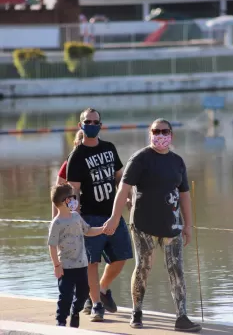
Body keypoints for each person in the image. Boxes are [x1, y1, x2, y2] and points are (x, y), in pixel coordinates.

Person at [103, 118, 202, 332]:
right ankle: (137, 312)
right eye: (156, 131)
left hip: (172, 226)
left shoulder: (177, 162)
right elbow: (122, 189)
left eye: (164, 131)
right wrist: (114, 217)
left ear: (171, 135)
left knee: (176, 270)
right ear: (150, 134)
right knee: (143, 267)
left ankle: (181, 317)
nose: (160, 135)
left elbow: (184, 195)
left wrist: (188, 226)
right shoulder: (140, 159)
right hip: (142, 225)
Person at [66, 107, 133, 322]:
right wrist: (74, 215)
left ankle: (102, 289)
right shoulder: (76, 156)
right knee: (91, 263)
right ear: (81, 125)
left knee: (122, 257)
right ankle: (96, 305)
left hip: (112, 213)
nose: (92, 125)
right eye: (88, 122)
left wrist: (129, 198)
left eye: (96, 122)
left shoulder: (109, 148)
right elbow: (73, 190)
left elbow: (120, 178)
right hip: (90, 217)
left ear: (100, 125)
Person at [48, 183, 107, 327]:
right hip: (65, 267)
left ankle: (76, 311)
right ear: (65, 201)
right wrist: (56, 265)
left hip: (81, 265)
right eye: (73, 198)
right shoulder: (57, 223)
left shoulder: (76, 217)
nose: (76, 200)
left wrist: (103, 229)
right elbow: (52, 245)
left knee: (83, 293)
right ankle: (61, 321)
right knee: (65, 296)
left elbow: (88, 230)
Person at [52, 130, 83, 219]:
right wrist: (55, 219)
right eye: (80, 145)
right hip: (73, 213)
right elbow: (56, 194)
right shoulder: (68, 164)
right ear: (75, 143)